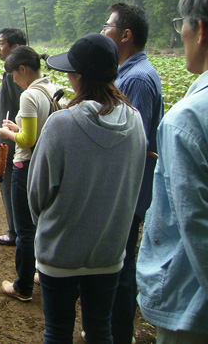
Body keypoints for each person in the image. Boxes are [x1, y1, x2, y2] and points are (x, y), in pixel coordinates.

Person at [28, 33, 146, 344]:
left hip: (60, 251)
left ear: (78, 77)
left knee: (57, 332)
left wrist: (45, 227)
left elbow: (37, 193)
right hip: (109, 251)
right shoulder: (135, 122)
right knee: (99, 331)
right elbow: (134, 182)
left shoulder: (62, 124)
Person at [136, 0, 208, 343]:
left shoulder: (188, 119)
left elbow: (201, 230)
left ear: (202, 30)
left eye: (183, 24)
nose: (183, 34)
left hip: (201, 313)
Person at [101, 3, 164, 344]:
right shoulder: (127, 74)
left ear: (125, 35)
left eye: (108, 25)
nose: (103, 30)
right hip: (124, 189)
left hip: (128, 191)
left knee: (121, 269)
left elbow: (130, 142)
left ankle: (117, 336)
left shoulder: (136, 79)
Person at [0, 46, 57, 302]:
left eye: (13, 74)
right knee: (43, 224)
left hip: (26, 166)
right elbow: (38, 128)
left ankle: (22, 285)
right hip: (46, 165)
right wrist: (18, 126)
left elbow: (27, 138)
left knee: (24, 229)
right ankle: (40, 273)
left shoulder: (29, 95)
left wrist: (8, 133)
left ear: (23, 69)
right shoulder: (51, 88)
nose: (13, 79)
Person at [0, 28, 26, 246]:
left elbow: (23, 110)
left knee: (12, 187)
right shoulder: (12, 72)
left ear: (15, 47)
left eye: (2, 43)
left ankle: (16, 232)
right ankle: (17, 230)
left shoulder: (16, 77)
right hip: (10, 143)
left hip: (11, 145)